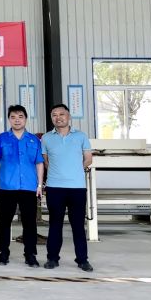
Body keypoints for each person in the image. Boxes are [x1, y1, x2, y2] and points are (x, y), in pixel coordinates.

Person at [0, 104, 44, 268]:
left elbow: (39, 163)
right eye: (13, 117)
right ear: (9, 119)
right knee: (4, 222)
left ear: (25, 119)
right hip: (7, 186)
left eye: (20, 117)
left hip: (29, 187)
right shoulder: (1, 139)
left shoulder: (34, 140)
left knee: (30, 222)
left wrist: (39, 185)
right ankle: (3, 253)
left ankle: (30, 254)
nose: (17, 120)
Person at [42, 104, 94, 272]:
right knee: (55, 224)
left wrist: (74, 170)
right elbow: (45, 161)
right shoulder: (46, 138)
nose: (58, 118)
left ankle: (82, 260)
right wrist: (59, 173)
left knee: (78, 225)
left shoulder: (81, 136)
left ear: (69, 116)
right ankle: (52, 258)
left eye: (61, 114)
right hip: (54, 187)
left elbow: (88, 159)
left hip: (77, 187)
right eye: (54, 115)